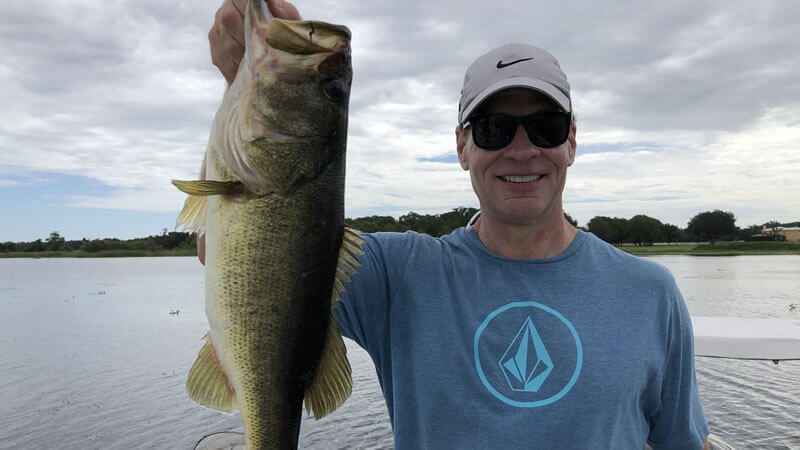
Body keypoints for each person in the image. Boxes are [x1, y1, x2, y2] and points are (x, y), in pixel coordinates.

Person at [206, 1, 711, 448]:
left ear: (571, 141)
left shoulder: (651, 292)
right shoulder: (395, 273)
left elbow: (681, 443)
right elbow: (244, 250)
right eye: (493, 128)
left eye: (546, 125)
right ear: (462, 147)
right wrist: (241, 87)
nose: (522, 147)